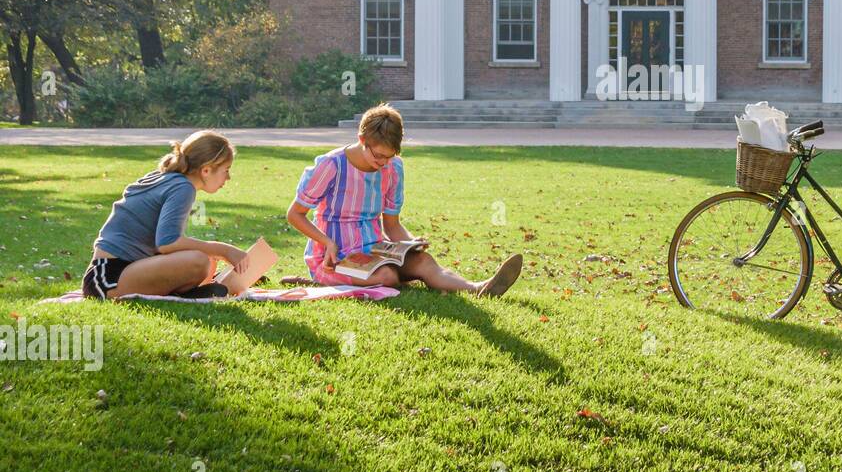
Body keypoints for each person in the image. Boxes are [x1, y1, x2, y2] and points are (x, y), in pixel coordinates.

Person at [286, 104, 523, 296]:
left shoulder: (393, 168)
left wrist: (410, 242)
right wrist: (326, 242)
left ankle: (479, 288)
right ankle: (319, 280)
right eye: (378, 155)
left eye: (389, 156)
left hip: (375, 249)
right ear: (361, 139)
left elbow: (392, 225)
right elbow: (295, 214)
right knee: (387, 276)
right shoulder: (331, 166)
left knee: (424, 261)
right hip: (334, 256)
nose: (382, 163)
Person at [83, 130, 247, 300]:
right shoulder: (182, 188)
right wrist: (224, 250)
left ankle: (186, 293)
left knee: (206, 260)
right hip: (108, 278)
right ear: (206, 170)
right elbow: (168, 243)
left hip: (119, 271)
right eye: (226, 170)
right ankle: (184, 294)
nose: (228, 177)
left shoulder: (171, 179)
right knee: (199, 261)